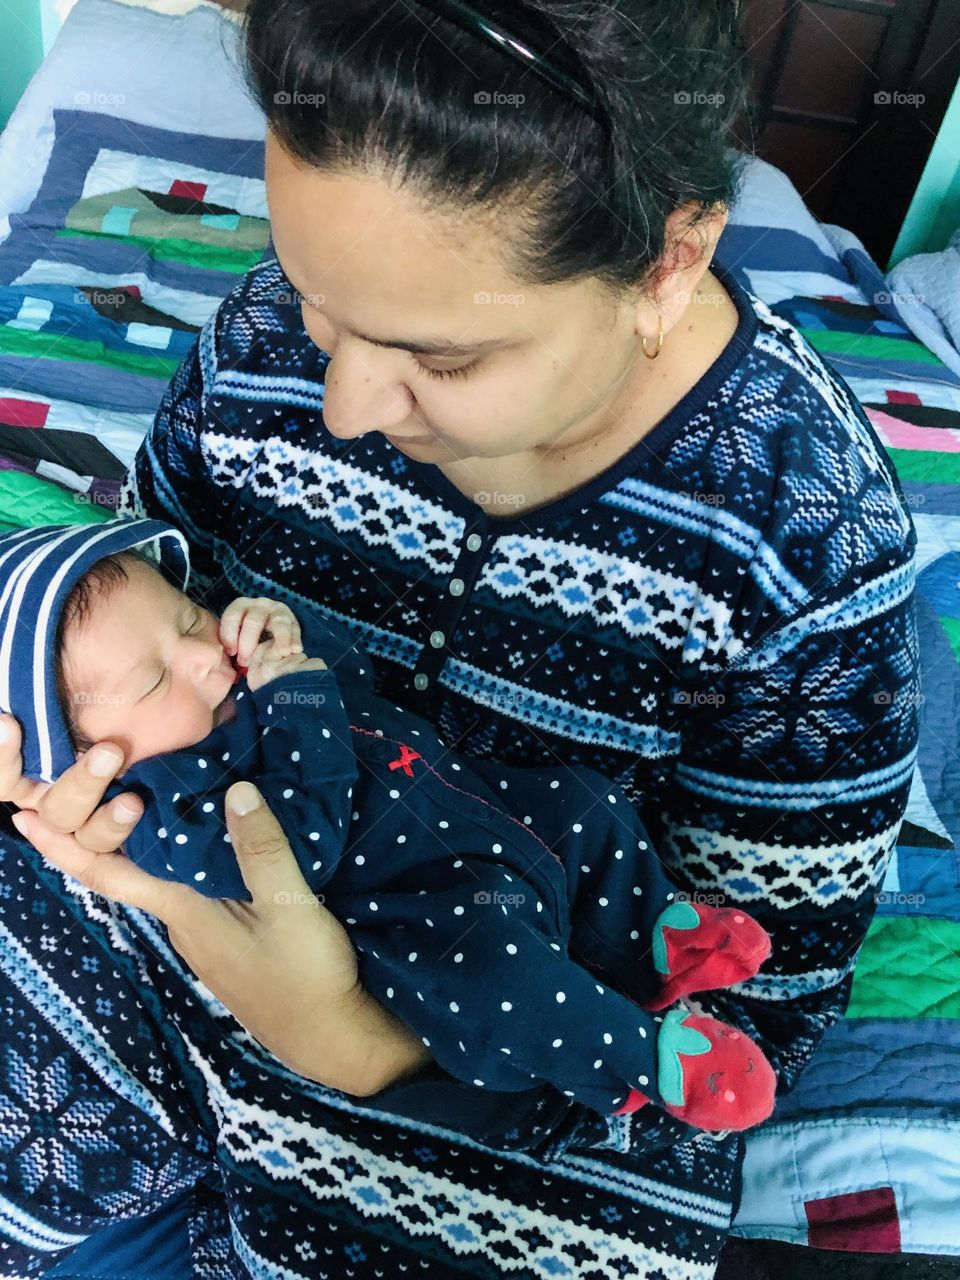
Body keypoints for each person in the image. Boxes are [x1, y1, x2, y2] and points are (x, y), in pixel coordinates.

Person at [0, 0, 921, 1276]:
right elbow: (137, 618)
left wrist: (354, 1041)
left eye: (442, 354)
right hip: (177, 904)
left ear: (670, 260)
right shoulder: (265, 344)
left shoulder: (804, 537)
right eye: (320, 304)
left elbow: (759, 1001)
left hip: (510, 1024)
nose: (343, 402)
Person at [1, 518, 776, 1132]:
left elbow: (353, 681)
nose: (202, 657)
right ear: (76, 758)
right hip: (438, 920)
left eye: (188, 616)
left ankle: (653, 935)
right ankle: (648, 1062)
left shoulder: (238, 682)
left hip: (494, 813)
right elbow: (297, 847)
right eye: (152, 678)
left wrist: (288, 640)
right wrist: (293, 695)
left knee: (590, 802)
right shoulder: (169, 811)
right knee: (507, 976)